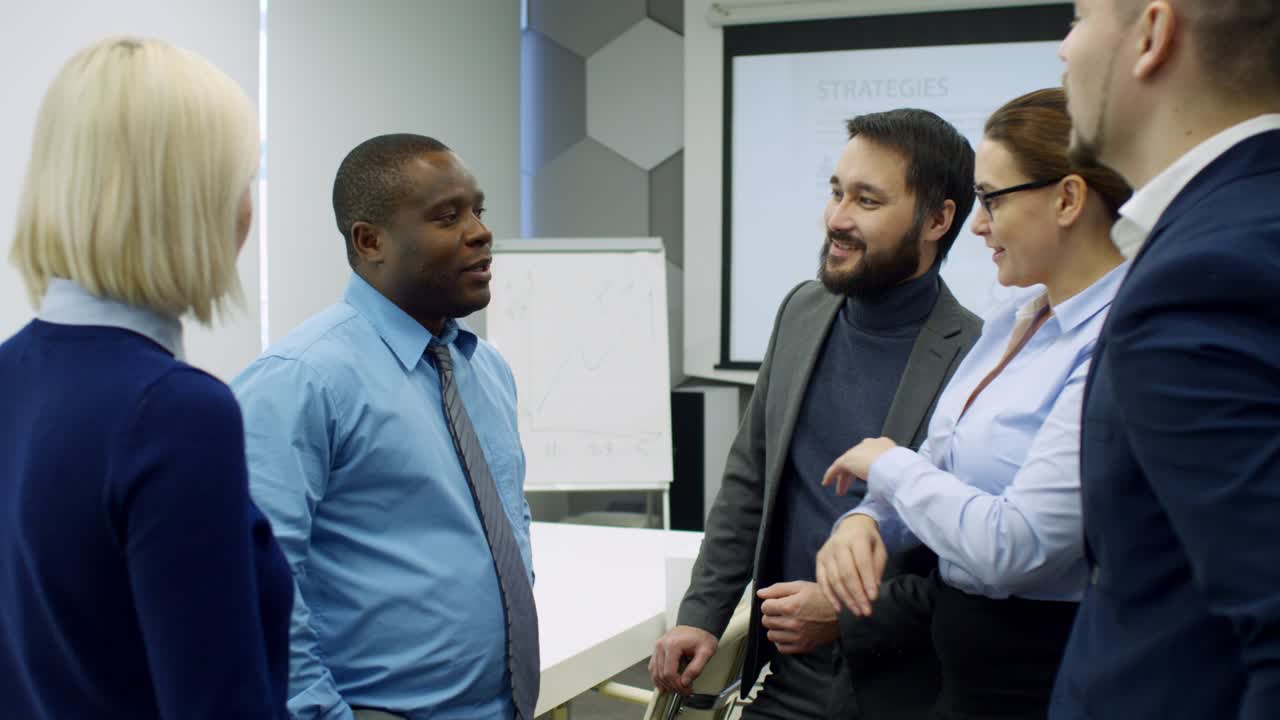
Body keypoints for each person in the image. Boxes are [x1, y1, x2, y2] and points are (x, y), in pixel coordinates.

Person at [650, 109, 982, 719]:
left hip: (903, 696)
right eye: (836, 192)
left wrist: (849, 615)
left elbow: (977, 568)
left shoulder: (976, 359)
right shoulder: (802, 312)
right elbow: (749, 482)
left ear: (937, 220)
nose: (837, 218)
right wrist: (701, 616)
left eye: (867, 200)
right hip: (779, 680)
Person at [817, 88, 1131, 719]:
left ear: (1068, 199)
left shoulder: (1115, 343)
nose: (978, 225)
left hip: (1043, 678)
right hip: (962, 676)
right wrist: (867, 520)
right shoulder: (1014, 316)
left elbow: (1015, 546)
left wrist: (887, 464)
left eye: (991, 200)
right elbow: (939, 466)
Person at [0, 37, 291, 719]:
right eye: (242, 180)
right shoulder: (175, 413)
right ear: (190, 202)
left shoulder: (11, 375)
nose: (248, 208)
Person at [234, 134, 537, 720]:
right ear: (370, 241)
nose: (480, 232)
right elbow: (255, 584)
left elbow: (507, 525)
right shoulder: (299, 381)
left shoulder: (486, 369)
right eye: (448, 216)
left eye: (478, 210)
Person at [1051, 2, 1280, 718]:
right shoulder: (1250, 222)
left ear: (1152, 34)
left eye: (1078, 18)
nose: (1064, 49)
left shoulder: (1202, 276)